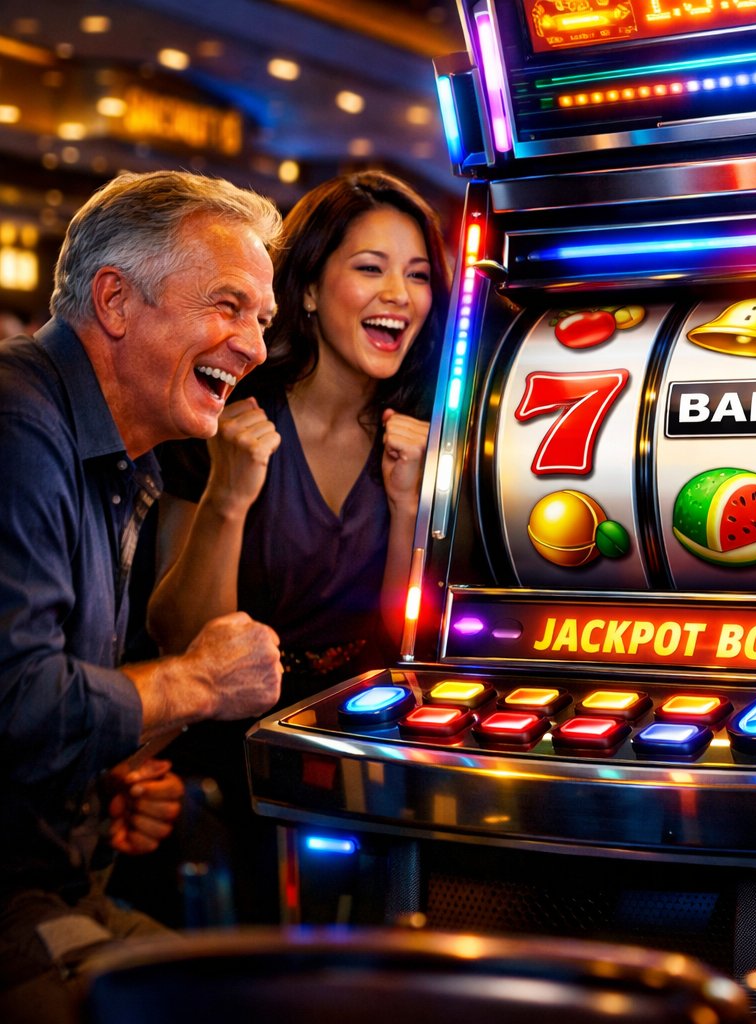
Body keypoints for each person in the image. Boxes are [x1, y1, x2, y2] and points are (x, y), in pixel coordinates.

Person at [0, 170, 284, 1021]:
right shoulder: (17, 428)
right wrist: (199, 681)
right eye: (228, 305)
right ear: (117, 301)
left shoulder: (122, 460)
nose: (256, 346)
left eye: (262, 321)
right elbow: (15, 704)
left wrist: (97, 783)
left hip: (55, 883)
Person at [145, 170, 449, 921]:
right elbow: (182, 638)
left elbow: (406, 646)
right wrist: (230, 492)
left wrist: (410, 503)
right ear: (308, 290)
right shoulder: (224, 411)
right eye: (370, 268)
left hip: (363, 757)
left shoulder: (427, 434)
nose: (400, 296)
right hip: (227, 767)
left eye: (417, 276)